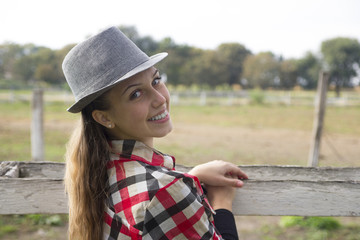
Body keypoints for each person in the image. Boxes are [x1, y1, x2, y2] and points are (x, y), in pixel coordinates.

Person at [63, 26, 248, 240]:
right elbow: (157, 197)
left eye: (156, 81)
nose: (160, 99)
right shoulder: (162, 190)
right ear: (104, 118)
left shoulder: (94, 172)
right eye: (136, 94)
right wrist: (222, 202)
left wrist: (190, 179)